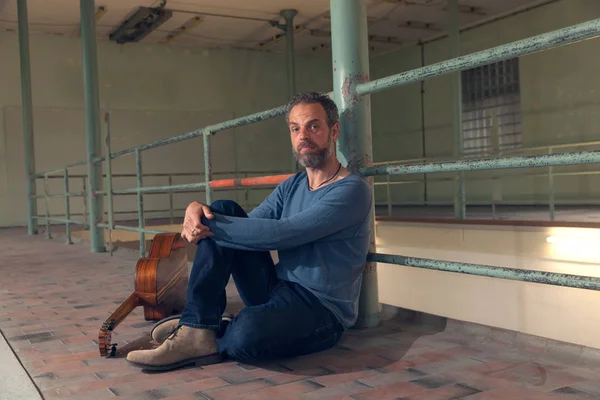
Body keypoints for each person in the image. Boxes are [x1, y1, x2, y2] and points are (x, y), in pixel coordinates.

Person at [126, 92, 372, 371]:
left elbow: (284, 233)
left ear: (333, 131)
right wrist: (201, 209)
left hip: (321, 310)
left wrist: (207, 224)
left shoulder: (351, 190)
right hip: (277, 288)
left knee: (244, 340)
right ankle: (196, 328)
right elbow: (250, 229)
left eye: (313, 126)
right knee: (223, 209)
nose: (303, 135)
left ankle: (211, 327)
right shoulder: (292, 185)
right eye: (295, 128)